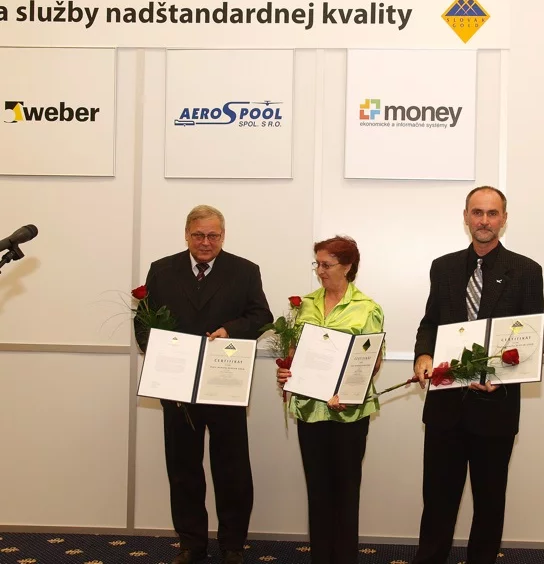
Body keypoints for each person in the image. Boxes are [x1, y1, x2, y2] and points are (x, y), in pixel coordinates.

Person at [411, 186, 544, 564]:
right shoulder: (443, 267)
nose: (484, 221)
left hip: (495, 409)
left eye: (492, 213)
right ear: (466, 216)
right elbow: (430, 323)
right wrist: (423, 354)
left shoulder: (526, 271)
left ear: (504, 219)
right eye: (477, 212)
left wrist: (499, 376)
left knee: (489, 502)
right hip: (445, 407)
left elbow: (533, 340)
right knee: (437, 500)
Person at [137, 205, 272, 564]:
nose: (206, 242)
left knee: (232, 470)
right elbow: (143, 323)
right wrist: (163, 355)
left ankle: (232, 544)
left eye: (213, 235)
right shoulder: (161, 270)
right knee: (183, 470)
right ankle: (191, 544)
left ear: (223, 236)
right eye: (198, 235)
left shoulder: (245, 271)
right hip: (177, 387)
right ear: (187, 234)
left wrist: (230, 330)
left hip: (224, 384)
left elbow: (261, 316)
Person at [276, 235, 384, 564]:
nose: (320, 271)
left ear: (347, 267)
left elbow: (372, 363)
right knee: (318, 490)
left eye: (327, 265)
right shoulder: (305, 305)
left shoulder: (367, 308)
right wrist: (286, 371)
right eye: (317, 264)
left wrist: (347, 392)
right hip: (310, 410)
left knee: (346, 490)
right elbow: (294, 352)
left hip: (348, 413)